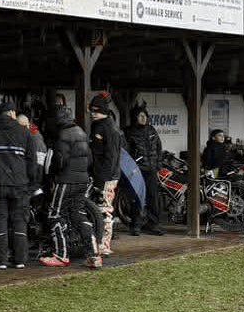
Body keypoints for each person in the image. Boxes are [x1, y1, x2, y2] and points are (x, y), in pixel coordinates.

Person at [0, 105, 43, 269]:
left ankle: (0, 260)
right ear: (12, 113)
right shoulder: (24, 132)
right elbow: (32, 161)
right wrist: (30, 181)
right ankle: (20, 260)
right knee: (19, 221)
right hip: (19, 185)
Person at [40, 105, 99, 268]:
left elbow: (60, 161)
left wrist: (52, 177)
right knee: (79, 214)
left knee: (55, 215)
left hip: (66, 180)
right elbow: (90, 160)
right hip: (83, 180)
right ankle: (94, 255)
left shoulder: (63, 134)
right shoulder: (81, 132)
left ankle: (61, 255)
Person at [87, 94, 123, 254]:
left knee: (105, 210)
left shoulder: (109, 128)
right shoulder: (100, 126)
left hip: (107, 177)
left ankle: (104, 245)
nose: (93, 114)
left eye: (96, 111)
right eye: (92, 111)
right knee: (99, 209)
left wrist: (103, 178)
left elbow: (111, 157)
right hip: (101, 175)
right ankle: (99, 242)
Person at [124, 104, 167, 235]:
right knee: (137, 198)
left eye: (145, 116)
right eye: (140, 116)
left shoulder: (151, 130)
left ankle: (153, 225)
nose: (144, 118)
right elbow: (126, 152)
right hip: (137, 171)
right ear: (135, 117)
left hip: (151, 169)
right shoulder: (129, 132)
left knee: (153, 198)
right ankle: (136, 225)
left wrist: (158, 164)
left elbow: (158, 148)